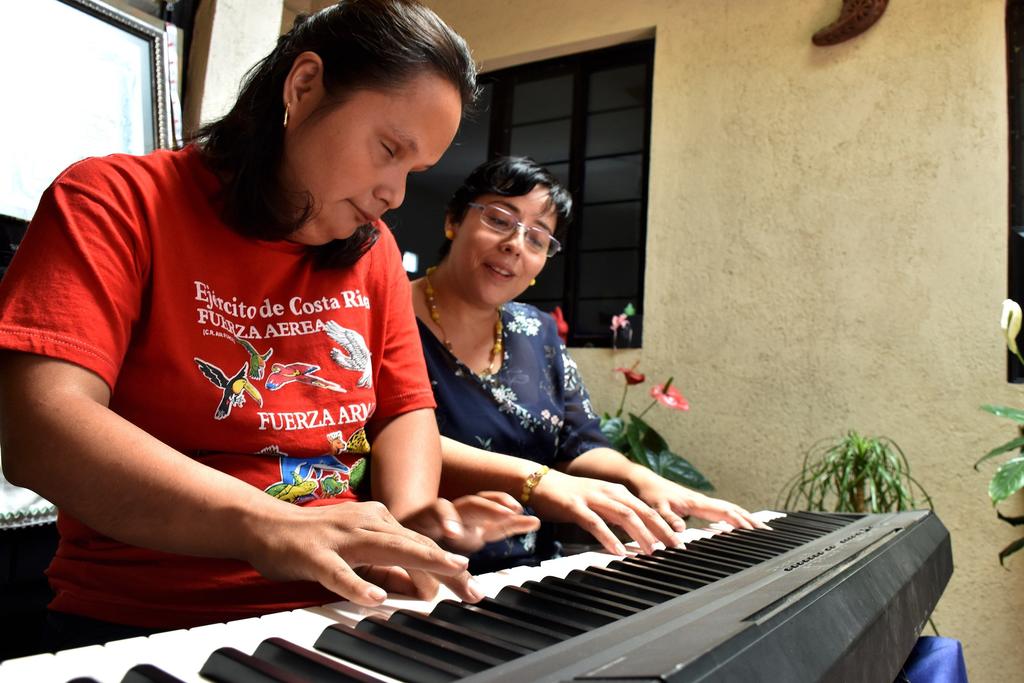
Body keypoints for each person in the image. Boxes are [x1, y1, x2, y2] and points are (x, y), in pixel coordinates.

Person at [0, 0, 537, 651]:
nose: (395, 194)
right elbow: (40, 427)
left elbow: (402, 409)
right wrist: (270, 524)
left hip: (348, 615)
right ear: (304, 86)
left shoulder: (376, 253)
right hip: (151, 627)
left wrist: (410, 518)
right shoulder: (114, 201)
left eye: (413, 172)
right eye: (388, 149)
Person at [412, 156, 768, 571]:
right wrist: (541, 481)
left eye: (538, 238)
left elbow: (579, 445)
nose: (515, 244)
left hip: (533, 574)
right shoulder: (388, 313)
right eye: (499, 219)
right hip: (421, 568)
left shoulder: (538, 332)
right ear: (454, 220)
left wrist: (644, 480)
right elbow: (385, 436)